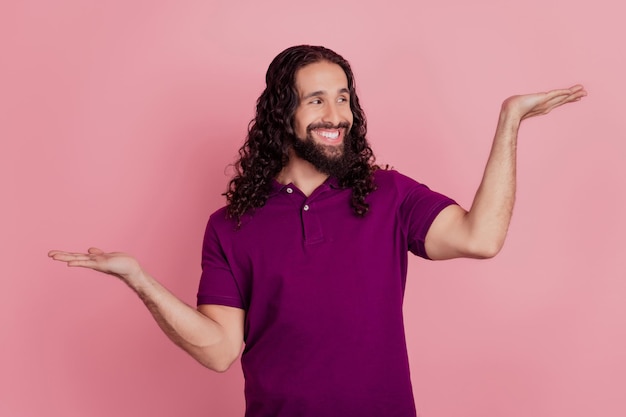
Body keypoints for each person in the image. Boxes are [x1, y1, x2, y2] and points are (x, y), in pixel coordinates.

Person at [49, 45, 586, 416]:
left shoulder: (388, 193)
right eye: (317, 99)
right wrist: (139, 279)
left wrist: (509, 121)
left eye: (345, 96)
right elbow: (218, 350)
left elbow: (480, 238)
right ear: (283, 114)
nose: (338, 113)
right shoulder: (231, 227)